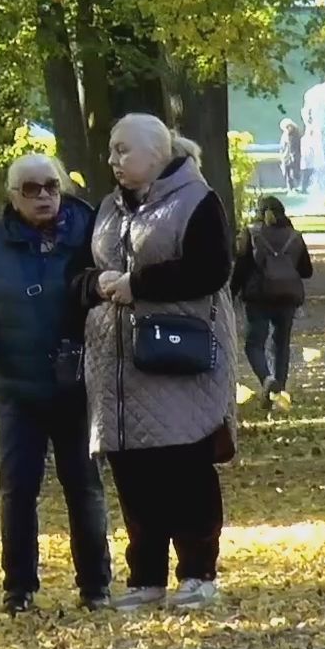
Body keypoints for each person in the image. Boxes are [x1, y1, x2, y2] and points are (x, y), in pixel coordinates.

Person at [81, 114, 239, 612]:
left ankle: (197, 572)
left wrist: (139, 286)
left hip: (180, 355)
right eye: (112, 151)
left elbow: (211, 269)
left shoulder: (198, 201)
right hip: (118, 364)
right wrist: (95, 286)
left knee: (185, 464)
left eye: (122, 151)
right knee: (133, 470)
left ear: (156, 153)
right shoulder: (108, 207)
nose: (113, 161)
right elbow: (84, 270)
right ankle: (144, 577)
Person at [0, 154, 114, 615]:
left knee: (84, 486)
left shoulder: (89, 230)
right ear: (11, 196)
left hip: (77, 385)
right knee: (18, 488)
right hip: (17, 388)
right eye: (30, 189)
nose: (43, 195)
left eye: (50, 186)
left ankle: (96, 587)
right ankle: (18, 588)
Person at [232, 196, 314, 411]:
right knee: (281, 344)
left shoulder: (251, 234)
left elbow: (241, 267)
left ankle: (267, 379)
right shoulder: (294, 236)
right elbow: (307, 271)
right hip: (287, 298)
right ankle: (280, 394)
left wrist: (232, 292)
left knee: (254, 344)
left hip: (258, 297)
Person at [279, 118, 304, 191]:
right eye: (287, 127)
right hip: (286, 156)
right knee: (287, 173)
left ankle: (297, 186)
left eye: (289, 126)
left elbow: (297, 146)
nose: (289, 128)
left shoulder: (297, 135)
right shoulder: (285, 135)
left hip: (295, 156)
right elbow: (282, 146)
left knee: (295, 172)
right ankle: (290, 187)